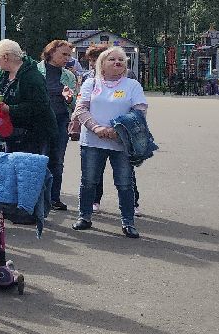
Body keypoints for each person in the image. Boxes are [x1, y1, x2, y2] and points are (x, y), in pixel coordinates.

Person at [72, 46, 147, 238]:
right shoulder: (90, 83)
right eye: (112, 59)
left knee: (124, 183)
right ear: (102, 64)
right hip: (92, 141)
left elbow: (139, 112)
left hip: (121, 142)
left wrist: (118, 130)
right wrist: (96, 128)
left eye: (121, 59)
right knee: (89, 181)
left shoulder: (132, 85)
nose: (118, 62)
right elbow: (81, 109)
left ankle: (128, 222)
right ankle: (85, 216)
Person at [0, 39, 50, 156]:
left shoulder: (33, 77)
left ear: (5, 57)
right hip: (11, 133)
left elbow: (39, 107)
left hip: (34, 135)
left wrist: (9, 109)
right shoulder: (4, 74)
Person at [38, 39, 78, 211]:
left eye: (69, 55)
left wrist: (70, 99)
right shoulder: (35, 70)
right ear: (51, 52)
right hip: (40, 121)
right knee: (40, 158)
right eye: (64, 54)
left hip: (61, 120)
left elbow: (74, 102)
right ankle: (38, 197)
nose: (67, 58)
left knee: (57, 160)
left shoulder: (69, 76)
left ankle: (54, 198)